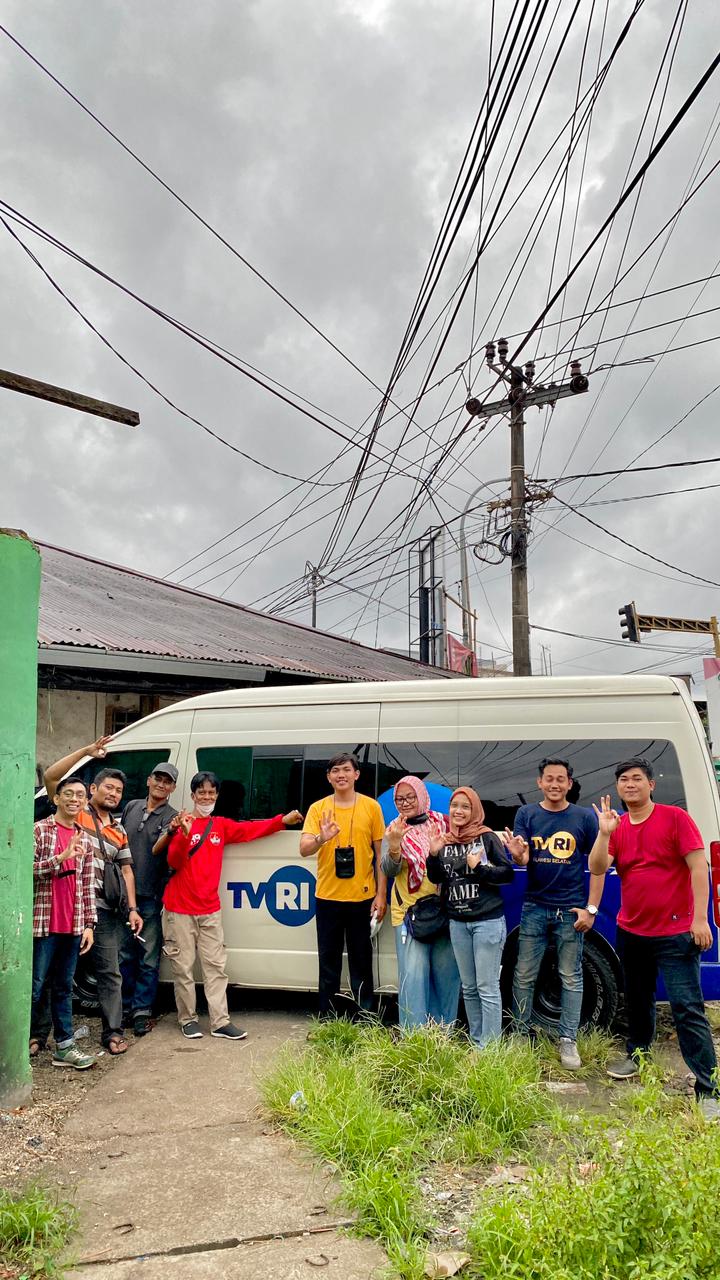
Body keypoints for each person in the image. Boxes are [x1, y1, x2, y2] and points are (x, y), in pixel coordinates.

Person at [589, 758, 720, 1120]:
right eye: (623, 780)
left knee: (687, 1008)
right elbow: (598, 867)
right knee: (637, 1000)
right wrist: (603, 833)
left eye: (637, 779)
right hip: (632, 931)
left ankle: (709, 1088)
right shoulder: (616, 827)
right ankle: (638, 1056)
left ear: (651, 785)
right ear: (618, 787)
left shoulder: (675, 818)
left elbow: (699, 867)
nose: (630, 784)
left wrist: (700, 920)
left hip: (676, 932)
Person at [158, 770, 303, 1040]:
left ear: (217, 796)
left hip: (210, 909)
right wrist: (184, 835)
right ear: (192, 796)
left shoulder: (221, 825)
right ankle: (188, 1019)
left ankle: (220, 1022)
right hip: (179, 909)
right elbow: (174, 862)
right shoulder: (182, 822)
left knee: (215, 967)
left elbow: (250, 831)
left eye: (211, 793)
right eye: (201, 793)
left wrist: (281, 821)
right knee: (183, 968)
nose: (206, 797)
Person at [502, 757, 604, 1070]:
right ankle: (520, 1034)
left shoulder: (584, 818)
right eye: (549, 778)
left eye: (561, 779)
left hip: (570, 909)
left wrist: (591, 909)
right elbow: (523, 857)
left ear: (569, 784)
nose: (555, 784)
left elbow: (599, 865)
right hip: (534, 906)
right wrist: (517, 854)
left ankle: (568, 1040)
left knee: (571, 976)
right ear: (540, 782)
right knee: (523, 973)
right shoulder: (527, 814)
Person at [44, 742, 143, 1057]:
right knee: (52, 974)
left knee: (110, 973)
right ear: (92, 790)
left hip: (105, 911)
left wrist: (133, 909)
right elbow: (51, 777)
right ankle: (38, 1036)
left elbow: (127, 871)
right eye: (108, 788)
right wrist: (85, 753)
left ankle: (113, 1032)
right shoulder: (77, 811)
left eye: (119, 791)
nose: (114, 794)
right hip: (67, 907)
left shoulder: (118, 830)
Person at [300, 753, 387, 1018]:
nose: (341, 775)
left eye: (346, 770)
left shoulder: (371, 807)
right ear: (328, 777)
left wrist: (381, 895)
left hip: (362, 898)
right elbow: (304, 849)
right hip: (328, 897)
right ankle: (328, 1019)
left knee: (362, 963)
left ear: (356, 774)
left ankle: (366, 1018)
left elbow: (380, 856)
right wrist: (321, 838)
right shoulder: (318, 808)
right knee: (329, 963)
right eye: (335, 770)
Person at [426, 787, 512, 1048]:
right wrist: (433, 854)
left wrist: (480, 868)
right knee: (469, 988)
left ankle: (490, 1048)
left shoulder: (486, 837)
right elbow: (437, 878)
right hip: (458, 923)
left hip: (487, 921)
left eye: (465, 806)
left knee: (487, 987)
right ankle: (477, 1042)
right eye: (455, 806)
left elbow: (507, 874)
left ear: (474, 810)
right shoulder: (446, 840)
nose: (459, 811)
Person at [380, 776, 460, 1030]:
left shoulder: (444, 823)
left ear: (422, 796)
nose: (405, 803)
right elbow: (388, 870)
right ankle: (414, 1036)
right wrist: (394, 847)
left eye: (410, 797)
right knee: (413, 977)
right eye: (399, 799)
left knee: (446, 976)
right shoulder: (393, 829)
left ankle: (442, 1032)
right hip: (410, 912)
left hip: (443, 909)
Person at [31, 777, 97, 1069]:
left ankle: (65, 1047)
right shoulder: (39, 830)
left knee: (63, 988)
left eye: (80, 795)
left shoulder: (85, 837)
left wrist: (89, 925)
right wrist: (61, 857)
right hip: (42, 923)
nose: (74, 799)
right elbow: (25, 869)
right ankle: (14, 1046)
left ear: (85, 801)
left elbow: (87, 885)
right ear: (56, 798)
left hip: (72, 925)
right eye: (68, 794)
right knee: (33, 988)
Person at [120, 763, 179, 1037]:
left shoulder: (172, 817)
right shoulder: (131, 806)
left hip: (150, 896)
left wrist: (171, 831)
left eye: (167, 781)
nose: (161, 784)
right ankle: (123, 1008)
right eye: (158, 778)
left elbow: (160, 850)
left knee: (148, 956)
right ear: (148, 780)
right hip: (122, 895)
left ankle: (142, 1011)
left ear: (173, 788)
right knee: (123, 955)